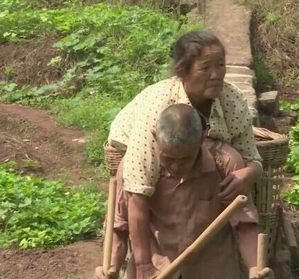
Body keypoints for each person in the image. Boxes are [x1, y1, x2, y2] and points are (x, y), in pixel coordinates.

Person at [106, 30, 264, 277]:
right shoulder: (155, 112)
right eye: (205, 68)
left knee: (231, 161)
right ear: (183, 72)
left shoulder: (231, 99)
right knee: (133, 184)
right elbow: (137, 196)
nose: (216, 75)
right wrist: (145, 267)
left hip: (205, 161)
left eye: (220, 65)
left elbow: (252, 157)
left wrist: (247, 173)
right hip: (144, 156)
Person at [96, 104, 273, 279]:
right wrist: (110, 269)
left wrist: (255, 269)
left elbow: (245, 225)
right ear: (155, 137)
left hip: (213, 270)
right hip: (155, 271)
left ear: (202, 140)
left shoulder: (226, 163)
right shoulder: (135, 166)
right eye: (168, 158)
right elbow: (119, 226)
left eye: (185, 159)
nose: (176, 166)